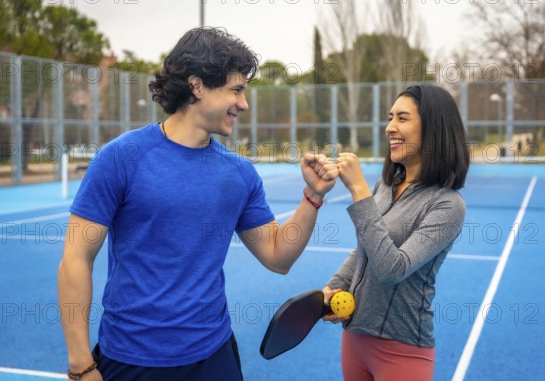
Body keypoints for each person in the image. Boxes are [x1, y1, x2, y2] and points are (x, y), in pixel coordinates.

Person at [57, 27, 338, 381]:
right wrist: (81, 365)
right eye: (236, 90)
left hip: (214, 356)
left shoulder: (239, 174)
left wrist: (313, 198)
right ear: (197, 85)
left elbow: (278, 256)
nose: (244, 104)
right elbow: (75, 260)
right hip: (131, 360)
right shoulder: (120, 158)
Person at [322, 84, 470, 381]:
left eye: (402, 118)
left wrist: (359, 191)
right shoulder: (384, 186)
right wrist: (334, 285)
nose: (390, 127)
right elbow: (365, 248)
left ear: (433, 129)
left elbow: (393, 269)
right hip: (354, 338)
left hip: (402, 350)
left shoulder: (447, 205)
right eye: (390, 118)